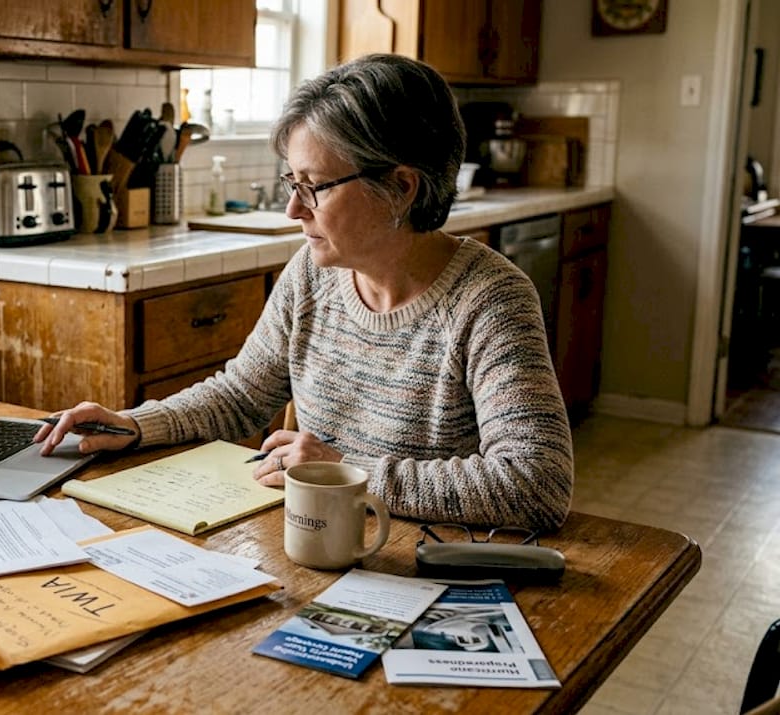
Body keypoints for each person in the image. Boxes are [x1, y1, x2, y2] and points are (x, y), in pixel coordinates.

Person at [35, 54, 572, 531]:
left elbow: (536, 483)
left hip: (415, 560)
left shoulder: (491, 299)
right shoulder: (313, 275)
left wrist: (345, 473)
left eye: (313, 186)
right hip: (318, 544)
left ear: (401, 188)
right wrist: (134, 425)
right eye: (293, 184)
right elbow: (241, 397)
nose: (295, 209)